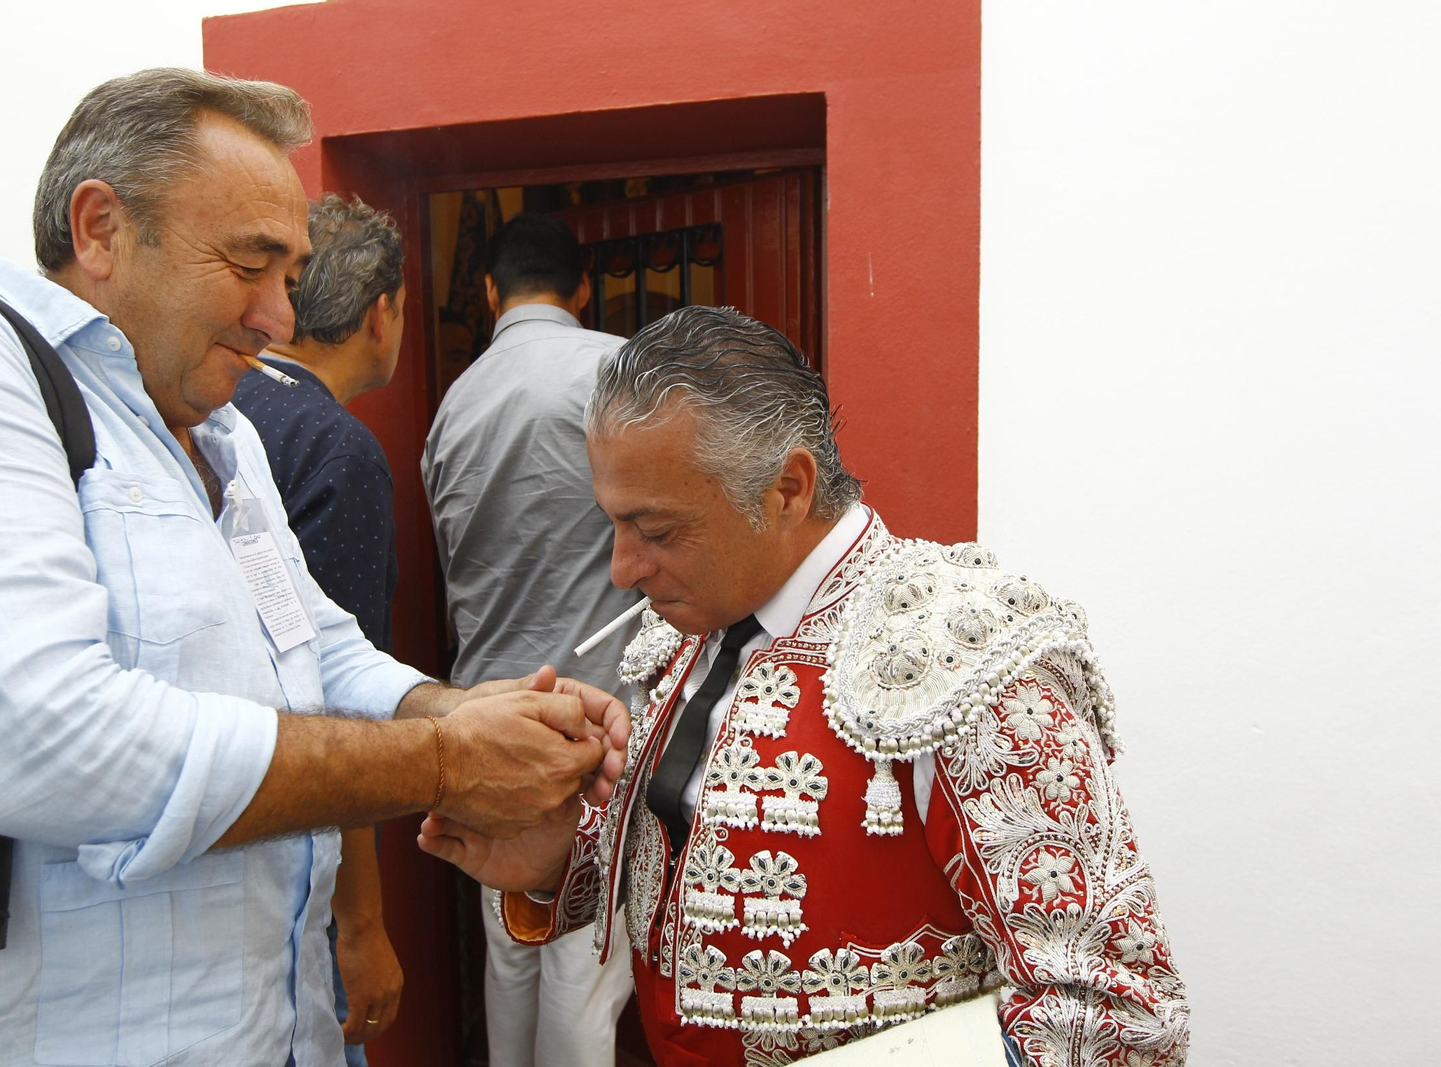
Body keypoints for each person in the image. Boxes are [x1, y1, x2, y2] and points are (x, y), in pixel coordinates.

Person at [0, 67, 626, 1066]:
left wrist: (459, 711)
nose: (279, 318)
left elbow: (321, 653)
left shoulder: (223, 436)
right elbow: (38, 738)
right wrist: (447, 761)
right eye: (249, 265)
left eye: (289, 276)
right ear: (100, 228)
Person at [419, 306, 1191, 1066]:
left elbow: (1119, 1021)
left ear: (788, 487)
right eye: (614, 526)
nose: (623, 568)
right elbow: (695, 869)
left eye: (656, 530)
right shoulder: (687, 628)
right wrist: (558, 858)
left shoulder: (966, 651)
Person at [421, 213, 636, 1067]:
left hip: (486, 713)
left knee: (509, 944)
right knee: (584, 961)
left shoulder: (453, 406)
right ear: (582, 290)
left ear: (487, 292)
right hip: (598, 708)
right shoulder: (619, 373)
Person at [231, 193, 409, 1062]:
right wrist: (363, 923)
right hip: (306, 870)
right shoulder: (332, 445)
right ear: (383, 313)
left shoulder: (228, 415)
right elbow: (337, 704)